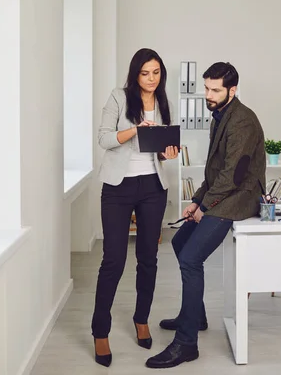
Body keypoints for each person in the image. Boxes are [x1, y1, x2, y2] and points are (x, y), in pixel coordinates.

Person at [145, 62, 266, 369]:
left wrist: (204, 206)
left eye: (215, 90)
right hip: (223, 193)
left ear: (232, 90)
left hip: (240, 197)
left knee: (190, 258)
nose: (208, 95)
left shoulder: (243, 122)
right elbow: (214, 171)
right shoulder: (219, 116)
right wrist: (197, 199)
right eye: (206, 88)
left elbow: (233, 176)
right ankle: (195, 317)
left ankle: (187, 344)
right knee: (180, 243)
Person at [92, 48, 179, 368]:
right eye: (145, 73)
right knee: (113, 260)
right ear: (135, 74)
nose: (152, 78)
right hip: (118, 187)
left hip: (152, 188)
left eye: (156, 72)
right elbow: (104, 139)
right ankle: (100, 331)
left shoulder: (164, 102)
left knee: (149, 259)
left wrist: (168, 153)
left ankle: (141, 319)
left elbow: (161, 150)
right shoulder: (118, 98)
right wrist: (136, 130)